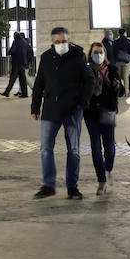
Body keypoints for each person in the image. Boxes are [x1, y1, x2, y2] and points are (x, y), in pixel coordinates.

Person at [30, 26, 97, 200]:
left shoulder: (78, 56)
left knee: (74, 150)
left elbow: (90, 80)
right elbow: (39, 83)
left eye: (64, 41)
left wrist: (83, 102)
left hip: (73, 110)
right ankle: (48, 185)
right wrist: (35, 107)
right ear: (52, 42)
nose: (61, 44)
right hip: (50, 110)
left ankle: (72, 187)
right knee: (45, 149)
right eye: (58, 42)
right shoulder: (45, 58)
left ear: (69, 40)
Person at [82, 41, 123, 195]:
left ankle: (108, 169)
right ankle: (101, 181)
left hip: (108, 110)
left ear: (105, 54)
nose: (98, 55)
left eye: (100, 52)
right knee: (95, 148)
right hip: (91, 113)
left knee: (110, 147)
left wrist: (117, 86)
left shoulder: (112, 69)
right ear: (90, 54)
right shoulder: (85, 69)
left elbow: (122, 91)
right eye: (95, 52)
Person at [2, 31, 32, 98]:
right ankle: (25, 94)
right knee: (22, 79)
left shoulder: (15, 42)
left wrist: (8, 52)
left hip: (16, 63)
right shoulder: (24, 42)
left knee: (12, 78)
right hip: (23, 63)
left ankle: (7, 92)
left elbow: (12, 50)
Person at [112, 28, 130, 95]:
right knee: (126, 77)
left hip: (118, 61)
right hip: (126, 61)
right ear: (124, 33)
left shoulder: (115, 42)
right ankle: (127, 92)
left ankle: (119, 91)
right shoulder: (128, 41)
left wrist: (115, 60)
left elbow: (114, 52)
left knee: (119, 77)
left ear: (119, 33)